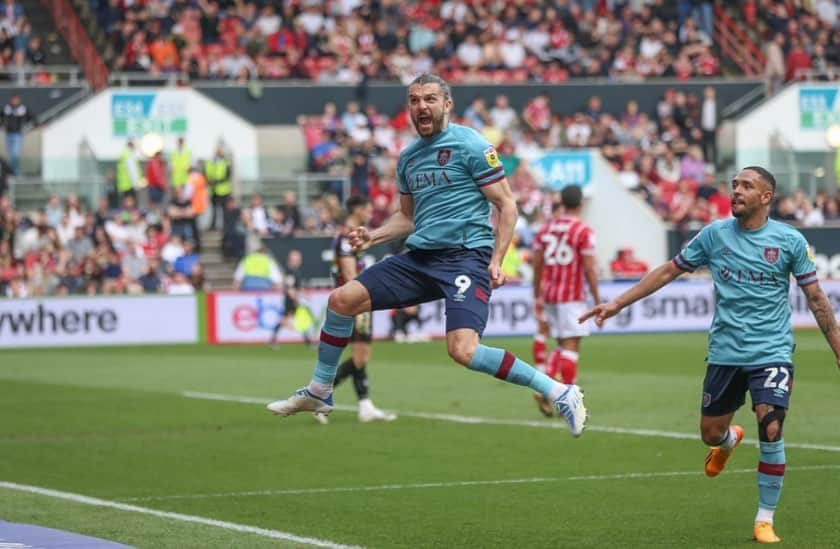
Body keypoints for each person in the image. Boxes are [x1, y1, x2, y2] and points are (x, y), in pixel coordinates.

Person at [267, 73, 586, 436]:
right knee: (341, 299)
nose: (422, 106)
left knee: (463, 350)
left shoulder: (471, 145)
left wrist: (496, 259)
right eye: (415, 100)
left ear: (447, 105)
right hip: (420, 259)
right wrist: (373, 235)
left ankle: (560, 392)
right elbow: (407, 217)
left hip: (465, 257)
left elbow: (507, 206)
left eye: (430, 99)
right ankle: (320, 390)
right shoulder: (408, 158)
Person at [580, 166, 840, 544]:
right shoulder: (715, 235)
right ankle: (728, 441)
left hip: (772, 350)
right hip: (726, 351)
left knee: (771, 425)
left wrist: (837, 346)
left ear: (765, 197)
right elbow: (670, 270)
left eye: (746, 186)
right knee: (710, 433)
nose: (736, 191)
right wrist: (618, 302)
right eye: (734, 184)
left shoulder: (789, 241)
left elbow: (816, 298)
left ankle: (764, 518)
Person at [531, 186, 600, 416]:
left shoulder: (546, 229)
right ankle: (567, 400)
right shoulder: (583, 230)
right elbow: (589, 268)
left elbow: (537, 263)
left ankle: (546, 387)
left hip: (550, 294)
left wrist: (536, 294)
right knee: (572, 345)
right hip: (571, 296)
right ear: (581, 204)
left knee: (561, 344)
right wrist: (598, 298)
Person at [327, 195, 397, 424]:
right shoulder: (346, 238)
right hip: (354, 303)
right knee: (360, 357)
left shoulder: (351, 236)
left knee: (361, 356)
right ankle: (318, 394)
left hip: (358, 302)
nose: (370, 212)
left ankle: (365, 405)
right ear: (357, 210)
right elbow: (349, 276)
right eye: (367, 208)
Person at [269, 249, 314, 348]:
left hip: (292, 299)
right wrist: (295, 300)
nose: (299, 261)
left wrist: (303, 294)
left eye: (299, 259)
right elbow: (290, 288)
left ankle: (308, 341)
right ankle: (273, 340)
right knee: (291, 319)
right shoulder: (289, 271)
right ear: (291, 260)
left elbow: (296, 287)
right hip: (290, 300)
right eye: (297, 259)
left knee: (298, 319)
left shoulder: (294, 271)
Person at [2, 93, 33, 175]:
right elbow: (2, 116)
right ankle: (12, 171)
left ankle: (15, 172)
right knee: (10, 154)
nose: (14, 101)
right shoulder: (7, 108)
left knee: (15, 154)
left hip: (17, 134)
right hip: (8, 133)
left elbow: (31, 117)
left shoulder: (22, 108)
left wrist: (28, 126)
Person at [205, 146, 232, 230]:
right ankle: (213, 226)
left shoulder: (225, 163)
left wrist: (217, 181)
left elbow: (227, 176)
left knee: (224, 210)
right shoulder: (211, 162)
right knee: (214, 210)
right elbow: (207, 174)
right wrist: (211, 181)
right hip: (214, 191)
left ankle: (225, 226)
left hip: (223, 190)